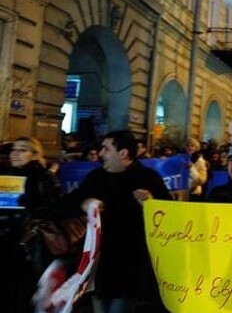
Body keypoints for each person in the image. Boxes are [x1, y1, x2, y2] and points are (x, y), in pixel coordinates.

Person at [55, 130, 172, 312]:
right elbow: (67, 204)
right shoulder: (97, 177)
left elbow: (170, 214)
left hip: (131, 263)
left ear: (123, 153)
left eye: (106, 149)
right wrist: (83, 203)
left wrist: (152, 203)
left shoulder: (148, 178)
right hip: (100, 263)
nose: (100, 154)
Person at [1, 136, 63, 313]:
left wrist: (30, 204)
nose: (16, 154)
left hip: (28, 242)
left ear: (35, 155)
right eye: (14, 149)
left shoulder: (43, 177)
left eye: (22, 150)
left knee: (23, 290)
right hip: (4, 238)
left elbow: (55, 207)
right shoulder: (4, 173)